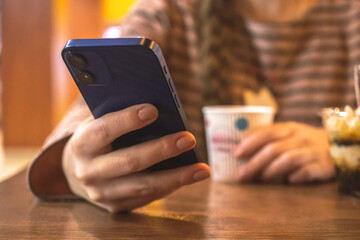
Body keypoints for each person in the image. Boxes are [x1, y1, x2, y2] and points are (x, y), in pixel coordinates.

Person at [28, 0, 360, 212]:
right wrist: (75, 164)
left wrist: (343, 147)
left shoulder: (351, 16)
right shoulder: (169, 11)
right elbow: (84, 118)